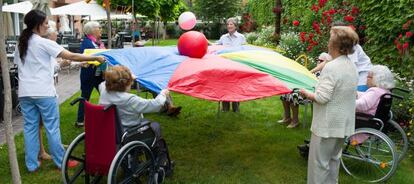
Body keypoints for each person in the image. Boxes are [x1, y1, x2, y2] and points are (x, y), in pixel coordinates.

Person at [14, 10, 105, 172]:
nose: (48, 25)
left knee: (30, 127)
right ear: (38, 25)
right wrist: (94, 58)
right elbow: (71, 55)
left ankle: (32, 165)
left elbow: (44, 65)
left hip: (25, 92)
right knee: (51, 127)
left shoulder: (20, 43)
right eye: (46, 23)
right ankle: (61, 161)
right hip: (43, 92)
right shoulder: (43, 42)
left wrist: (65, 64)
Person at [299, 26, 359, 184]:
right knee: (333, 161)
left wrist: (305, 93)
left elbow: (322, 97)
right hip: (342, 124)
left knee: (319, 165)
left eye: (329, 40)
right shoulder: (351, 66)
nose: (327, 43)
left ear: (335, 44)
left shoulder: (331, 67)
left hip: (327, 125)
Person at [98, 66, 174, 178]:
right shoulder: (129, 100)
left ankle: (134, 159)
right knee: (155, 127)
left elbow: (103, 83)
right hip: (128, 133)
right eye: (130, 82)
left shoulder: (103, 89)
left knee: (148, 123)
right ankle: (160, 165)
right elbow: (155, 105)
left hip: (109, 131)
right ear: (125, 84)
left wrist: (126, 76)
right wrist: (163, 94)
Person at [311, 21, 372, 92]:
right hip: (354, 78)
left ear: (340, 34)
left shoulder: (351, 46)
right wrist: (311, 72)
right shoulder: (336, 45)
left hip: (362, 79)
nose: (330, 37)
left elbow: (351, 67)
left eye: (332, 34)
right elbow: (327, 62)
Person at [75, 21, 107, 127]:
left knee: (105, 93)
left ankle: (107, 115)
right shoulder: (87, 42)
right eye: (99, 27)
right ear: (93, 30)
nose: (101, 29)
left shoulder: (98, 42)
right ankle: (80, 120)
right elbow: (89, 56)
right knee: (85, 97)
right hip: (89, 75)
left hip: (98, 74)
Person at [216, 17, 246, 112]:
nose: (229, 26)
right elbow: (215, 46)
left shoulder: (241, 37)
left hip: (237, 65)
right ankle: (225, 107)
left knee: (236, 86)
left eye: (231, 24)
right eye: (228, 24)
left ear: (235, 26)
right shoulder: (223, 37)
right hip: (225, 65)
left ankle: (236, 107)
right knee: (225, 85)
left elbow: (245, 50)